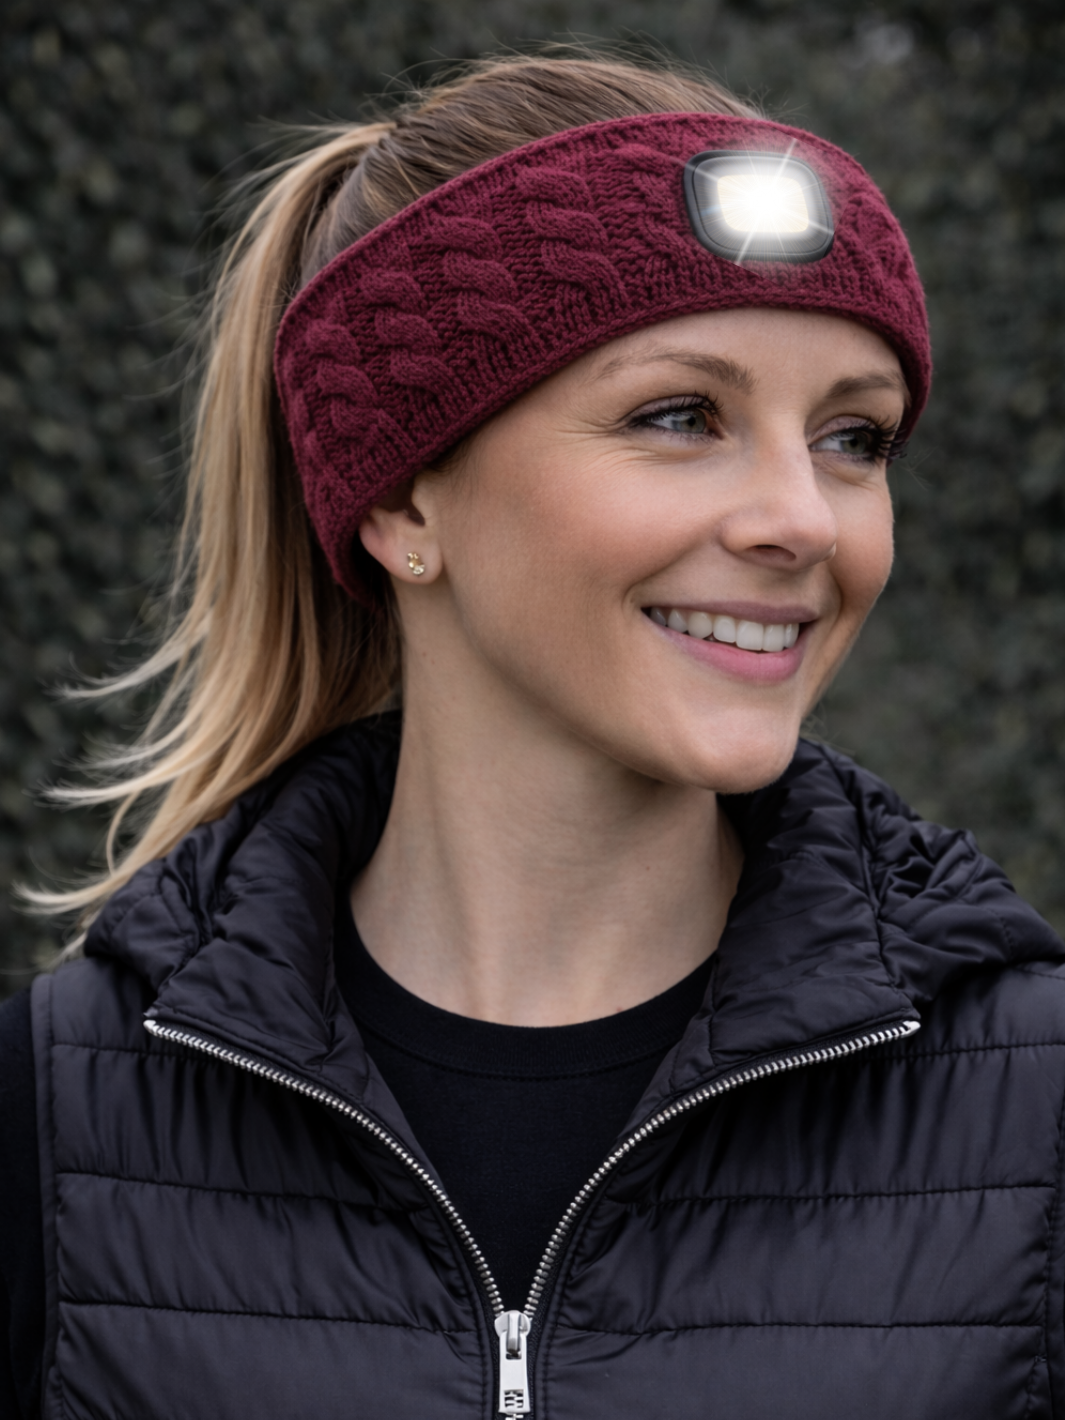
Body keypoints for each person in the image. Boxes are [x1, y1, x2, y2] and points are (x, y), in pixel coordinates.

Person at [2, 51, 1064, 1420]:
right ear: (405, 502)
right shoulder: (56, 1115)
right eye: (681, 417)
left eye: (855, 438)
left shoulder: (1036, 1103)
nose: (804, 519)